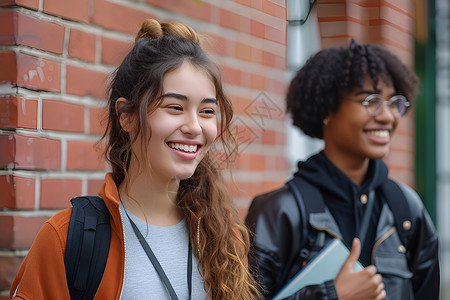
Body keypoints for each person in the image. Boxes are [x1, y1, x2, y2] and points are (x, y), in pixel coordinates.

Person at [10, 19, 260, 300]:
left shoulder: (225, 241)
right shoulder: (67, 238)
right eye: (175, 107)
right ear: (126, 117)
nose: (195, 126)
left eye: (207, 111)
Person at [246, 40, 440, 300]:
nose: (387, 116)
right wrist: (331, 295)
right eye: (370, 100)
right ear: (327, 107)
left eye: (394, 102)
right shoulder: (279, 212)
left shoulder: (406, 208)